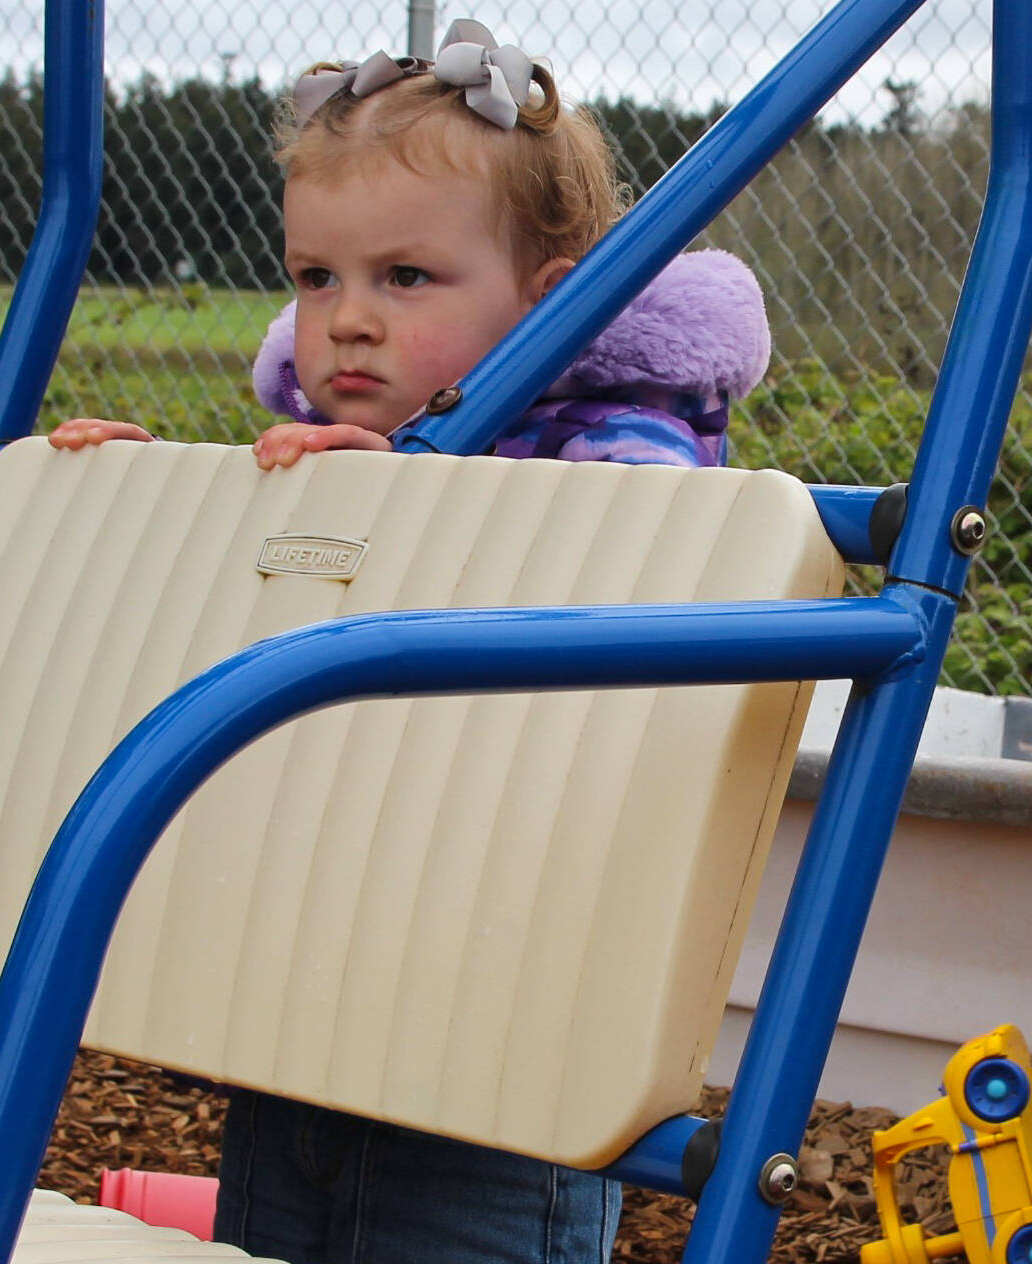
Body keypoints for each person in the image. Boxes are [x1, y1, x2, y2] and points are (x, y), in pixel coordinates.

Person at [51, 19, 772, 1263]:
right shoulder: (342, 457)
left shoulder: (621, 446)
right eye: (316, 277)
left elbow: (631, 595)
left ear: (550, 306)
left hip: (500, 1040)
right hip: (304, 1003)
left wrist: (413, 502)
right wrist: (150, 504)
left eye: (405, 278)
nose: (346, 322)